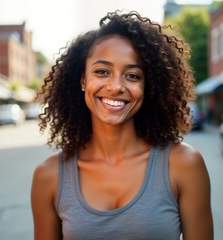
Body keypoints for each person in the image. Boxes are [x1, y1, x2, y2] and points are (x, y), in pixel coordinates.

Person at [31, 11, 213, 240]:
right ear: (83, 80)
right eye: (102, 72)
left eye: (133, 75)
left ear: (149, 86)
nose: (116, 86)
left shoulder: (184, 165)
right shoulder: (49, 177)